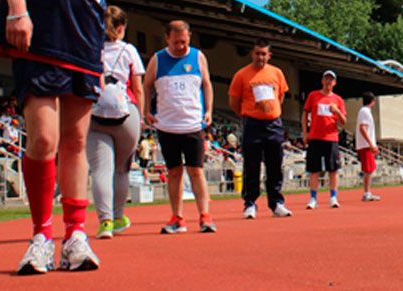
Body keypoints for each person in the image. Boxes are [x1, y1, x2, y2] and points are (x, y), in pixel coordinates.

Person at [0, 0, 163, 274]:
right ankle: (40, 236)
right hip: (41, 39)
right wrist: (18, 10)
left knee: (74, 142)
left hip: (85, 49)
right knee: (44, 139)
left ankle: (75, 236)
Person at [144, 21, 215, 234]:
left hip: (192, 123)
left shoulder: (197, 57)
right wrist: (147, 110)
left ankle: (205, 216)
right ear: (167, 38)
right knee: (174, 172)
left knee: (196, 171)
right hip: (167, 126)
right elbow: (146, 85)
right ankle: (177, 217)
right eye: (176, 42)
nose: (180, 46)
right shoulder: (157, 59)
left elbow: (207, 84)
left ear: (189, 38)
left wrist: (209, 110)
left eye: (184, 42)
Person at [86, 5, 145, 239]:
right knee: (121, 170)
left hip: (96, 112)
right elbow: (138, 88)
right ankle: (119, 216)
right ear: (122, 28)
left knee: (100, 170)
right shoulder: (129, 50)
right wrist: (141, 118)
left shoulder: (92, 49)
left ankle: (105, 222)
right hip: (125, 112)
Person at [229, 39, 292, 219]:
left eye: (264, 54)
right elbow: (234, 102)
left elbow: (280, 96)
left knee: (275, 164)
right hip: (252, 124)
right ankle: (250, 203)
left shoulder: (277, 73)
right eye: (257, 53)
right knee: (252, 165)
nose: (260, 57)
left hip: (273, 124)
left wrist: (271, 111)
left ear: (269, 55)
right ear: (252, 54)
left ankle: (276, 203)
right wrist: (248, 113)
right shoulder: (242, 75)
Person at [303, 70, 347, 210]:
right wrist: (305, 132)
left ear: (334, 83)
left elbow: (344, 121)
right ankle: (313, 198)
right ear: (322, 81)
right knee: (314, 169)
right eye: (326, 79)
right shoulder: (313, 95)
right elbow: (305, 114)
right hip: (315, 137)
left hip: (331, 137)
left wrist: (337, 111)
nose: (328, 82)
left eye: (331, 80)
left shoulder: (338, 99)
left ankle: (333, 197)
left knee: (333, 169)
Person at [356, 92, 381, 202]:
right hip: (366, 145)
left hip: (366, 144)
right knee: (368, 170)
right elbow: (363, 128)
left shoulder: (365, 111)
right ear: (372, 101)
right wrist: (371, 144)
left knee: (369, 169)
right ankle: (367, 193)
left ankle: (367, 192)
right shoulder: (365, 112)